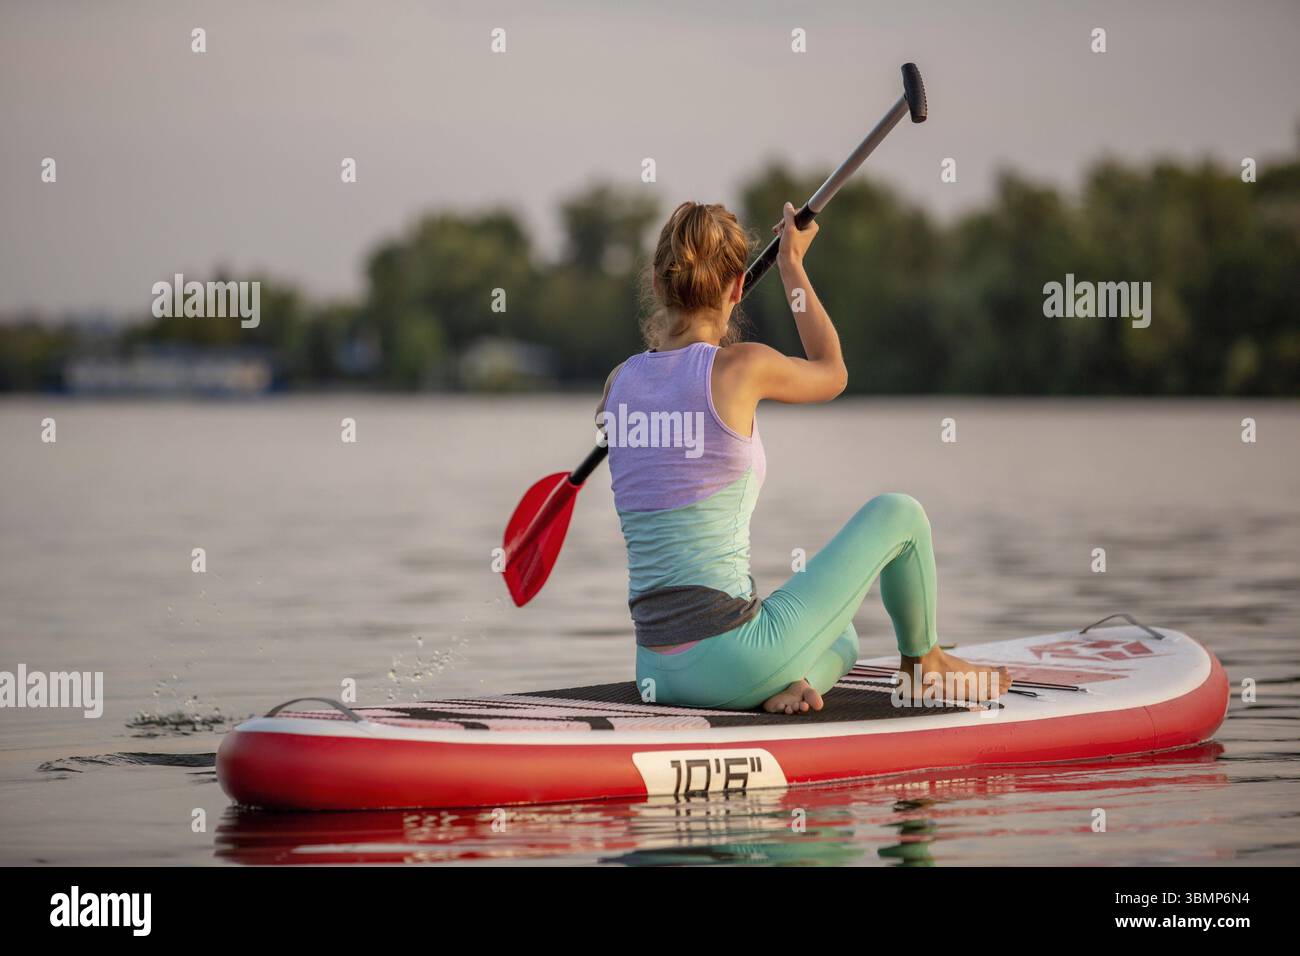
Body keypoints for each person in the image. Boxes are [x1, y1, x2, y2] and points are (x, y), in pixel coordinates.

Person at [597, 200, 1008, 715]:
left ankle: (788, 687)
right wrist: (792, 265)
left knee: (844, 640)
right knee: (900, 514)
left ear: (657, 284)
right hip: (731, 659)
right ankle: (926, 664)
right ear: (737, 289)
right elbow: (832, 371)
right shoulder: (740, 368)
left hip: (655, 671)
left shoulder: (619, 383)